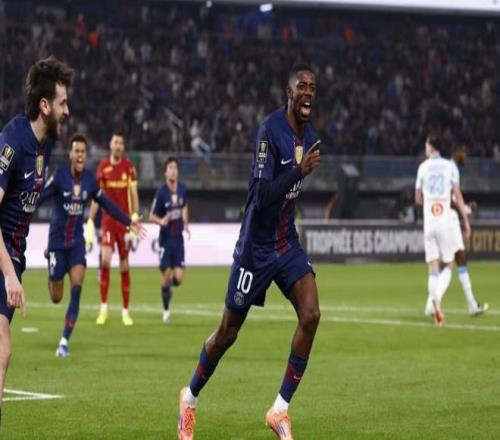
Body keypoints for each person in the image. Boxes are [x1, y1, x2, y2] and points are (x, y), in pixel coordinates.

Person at [177, 64, 322, 440]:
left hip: (286, 243)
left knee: (311, 314)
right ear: (289, 93)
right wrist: (299, 172)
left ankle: (279, 409)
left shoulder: (311, 136)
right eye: (302, 86)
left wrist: (299, 173)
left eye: (312, 87)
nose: (308, 92)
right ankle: (189, 398)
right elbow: (260, 196)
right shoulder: (269, 131)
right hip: (255, 250)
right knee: (227, 333)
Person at [0, 56, 74, 423]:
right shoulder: (13, 142)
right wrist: (9, 275)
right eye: (62, 103)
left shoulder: (42, 148)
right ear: (45, 106)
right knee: (2, 351)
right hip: (3, 262)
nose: (67, 111)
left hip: (13, 259)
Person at [38, 133, 144, 357]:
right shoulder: (59, 177)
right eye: (76, 151)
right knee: (56, 297)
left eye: (83, 152)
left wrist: (129, 222)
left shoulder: (89, 180)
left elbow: (108, 204)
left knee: (77, 287)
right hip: (56, 243)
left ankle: (64, 341)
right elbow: (39, 198)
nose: (80, 155)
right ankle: (52, 269)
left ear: (85, 155)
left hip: (76, 244)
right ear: (70, 154)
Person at [423, 144, 488, 316]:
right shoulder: (451, 168)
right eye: (464, 152)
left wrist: (465, 208)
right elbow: (451, 198)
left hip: (442, 218)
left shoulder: (446, 167)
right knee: (456, 260)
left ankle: (434, 303)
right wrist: (465, 212)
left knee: (449, 262)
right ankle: (440, 303)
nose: (466, 156)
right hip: (449, 219)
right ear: (456, 153)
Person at [415, 134, 471, 326]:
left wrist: (428, 202)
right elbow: (458, 196)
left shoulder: (422, 167)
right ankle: (436, 302)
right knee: (448, 264)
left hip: (429, 222)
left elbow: (417, 199)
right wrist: (465, 220)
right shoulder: (449, 167)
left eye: (426, 145)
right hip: (444, 222)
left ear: (431, 147)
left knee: (432, 268)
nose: (425, 148)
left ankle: (434, 305)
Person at [84, 132, 140, 326]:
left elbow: (133, 193)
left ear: (123, 147)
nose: (118, 145)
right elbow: (96, 197)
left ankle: (125, 311)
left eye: (121, 143)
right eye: (115, 142)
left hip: (124, 222)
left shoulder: (129, 167)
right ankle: (103, 309)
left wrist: (134, 217)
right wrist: (90, 220)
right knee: (106, 260)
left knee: (124, 265)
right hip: (108, 221)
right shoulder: (103, 167)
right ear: (110, 144)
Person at [149, 157, 190, 324]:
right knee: (166, 274)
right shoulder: (161, 192)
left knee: (178, 279)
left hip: (178, 240)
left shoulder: (182, 189)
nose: (173, 171)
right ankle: (166, 311)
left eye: (175, 168)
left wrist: (186, 223)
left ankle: (168, 288)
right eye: (170, 168)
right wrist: (161, 221)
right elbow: (151, 216)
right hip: (165, 240)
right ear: (165, 172)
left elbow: (184, 205)